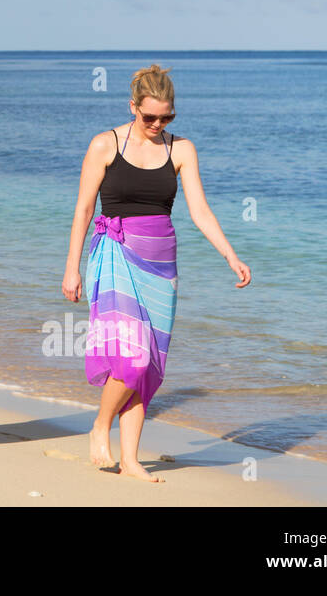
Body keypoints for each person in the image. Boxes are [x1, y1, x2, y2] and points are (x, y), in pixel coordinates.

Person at [61, 64, 251, 481]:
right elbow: (83, 209)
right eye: (150, 117)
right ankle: (99, 426)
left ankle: (130, 460)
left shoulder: (181, 149)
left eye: (167, 117)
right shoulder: (105, 144)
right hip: (114, 256)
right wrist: (71, 267)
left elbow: (199, 210)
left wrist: (230, 255)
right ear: (132, 107)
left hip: (162, 263)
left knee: (148, 366)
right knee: (132, 357)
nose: (158, 124)